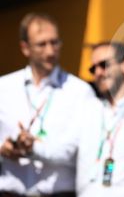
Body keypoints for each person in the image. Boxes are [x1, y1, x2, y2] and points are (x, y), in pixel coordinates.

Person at [15, 41, 124, 196]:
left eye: (104, 64)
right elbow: (63, 150)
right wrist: (31, 146)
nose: (98, 72)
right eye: (93, 68)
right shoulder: (87, 110)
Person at [0, 13, 95, 196]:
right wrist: (4, 149)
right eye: (42, 44)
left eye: (55, 42)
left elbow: (78, 152)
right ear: (25, 48)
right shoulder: (3, 87)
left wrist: (32, 148)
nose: (50, 52)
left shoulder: (80, 91)